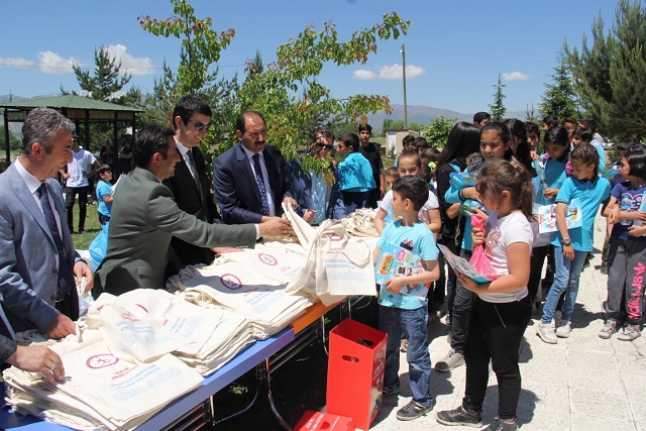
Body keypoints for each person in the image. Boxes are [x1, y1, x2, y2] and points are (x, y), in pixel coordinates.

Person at [94, 126, 292, 296]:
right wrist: (261, 230)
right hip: (133, 290)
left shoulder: (131, 180)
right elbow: (202, 232)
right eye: (173, 152)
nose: (178, 159)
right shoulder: (152, 194)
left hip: (120, 279)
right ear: (157, 158)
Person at [436, 159, 534, 431]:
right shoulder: (497, 217)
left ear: (503, 195)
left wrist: (480, 288)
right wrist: (480, 238)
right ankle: (471, 408)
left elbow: (519, 278)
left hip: (507, 309)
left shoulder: (517, 226)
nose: (480, 199)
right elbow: (492, 255)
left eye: (483, 194)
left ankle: (507, 420)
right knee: (475, 355)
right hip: (485, 302)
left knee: (504, 366)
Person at [0, 108, 92, 337]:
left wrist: (77, 261)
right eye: (66, 149)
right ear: (38, 150)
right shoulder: (3, 195)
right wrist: (47, 317)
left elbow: (61, 246)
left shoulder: (51, 186)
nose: (71, 158)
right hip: (29, 327)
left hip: (67, 312)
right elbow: (3, 276)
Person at [436, 122, 512, 372]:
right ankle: (458, 347)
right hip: (470, 247)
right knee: (462, 301)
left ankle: (494, 346)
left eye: (494, 144)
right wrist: (465, 194)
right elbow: (449, 197)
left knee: (493, 300)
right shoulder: (471, 171)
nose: (488, 149)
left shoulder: (512, 174)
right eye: (483, 144)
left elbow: (523, 209)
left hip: (500, 249)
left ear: (507, 145)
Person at [375, 176, 440, 421]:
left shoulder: (423, 234)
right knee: (389, 347)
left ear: (408, 203)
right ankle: (389, 384)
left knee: (416, 352)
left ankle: (422, 398)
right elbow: (379, 253)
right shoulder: (392, 226)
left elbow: (434, 272)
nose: (390, 201)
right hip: (388, 301)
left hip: (412, 305)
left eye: (394, 198)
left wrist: (403, 281)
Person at [536, 143, 611, 343]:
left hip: (584, 242)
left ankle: (567, 318)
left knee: (574, 280)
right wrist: (566, 241)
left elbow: (610, 202)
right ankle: (546, 320)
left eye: (578, 168)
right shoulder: (569, 183)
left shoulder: (603, 186)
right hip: (563, 241)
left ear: (592, 165)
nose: (574, 171)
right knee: (561, 279)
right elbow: (560, 211)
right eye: (573, 167)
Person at [163, 96, 222, 273]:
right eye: (199, 126)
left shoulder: (196, 154)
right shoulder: (163, 157)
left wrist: (219, 230)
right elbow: (171, 214)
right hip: (177, 255)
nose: (204, 132)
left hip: (206, 250)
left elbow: (205, 200)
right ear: (179, 122)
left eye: (207, 127)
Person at [213, 111, 296, 224]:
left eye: (263, 132)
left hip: (279, 231)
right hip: (248, 236)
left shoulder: (274, 154)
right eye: (254, 134)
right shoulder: (225, 164)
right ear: (239, 135)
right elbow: (229, 209)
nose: (261, 138)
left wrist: (288, 197)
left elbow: (286, 186)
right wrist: (265, 221)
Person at [435, 122, 481, 324]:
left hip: (470, 233)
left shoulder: (473, 167)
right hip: (453, 233)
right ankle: (454, 320)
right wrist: (466, 196)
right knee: (456, 279)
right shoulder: (447, 170)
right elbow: (448, 211)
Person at [599, 143, 646, 341]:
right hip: (619, 241)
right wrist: (629, 214)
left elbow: (615, 213)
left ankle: (634, 320)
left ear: (637, 165)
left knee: (636, 283)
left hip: (641, 245)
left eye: (623, 163)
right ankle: (612, 317)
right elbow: (608, 211)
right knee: (615, 280)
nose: (619, 167)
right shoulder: (619, 186)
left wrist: (643, 228)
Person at [527, 127, 569, 305]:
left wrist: (559, 192)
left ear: (566, 145)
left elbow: (579, 191)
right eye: (549, 148)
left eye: (556, 149)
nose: (552, 152)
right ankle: (530, 302)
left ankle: (556, 305)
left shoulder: (571, 166)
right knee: (535, 262)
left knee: (558, 267)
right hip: (542, 217)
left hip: (562, 221)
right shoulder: (546, 161)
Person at [375, 150, 441, 235]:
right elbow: (378, 218)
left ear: (420, 168)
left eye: (412, 170)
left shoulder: (428, 195)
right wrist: (384, 237)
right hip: (399, 245)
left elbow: (436, 224)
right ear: (398, 170)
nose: (407, 174)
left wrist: (413, 232)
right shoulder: (392, 194)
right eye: (403, 171)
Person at [60, 140, 97, 233]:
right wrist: (64, 174)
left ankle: (81, 228)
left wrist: (90, 174)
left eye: (71, 142)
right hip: (70, 184)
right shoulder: (67, 153)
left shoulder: (86, 153)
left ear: (75, 142)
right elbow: (58, 164)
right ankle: (70, 228)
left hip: (83, 183)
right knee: (68, 206)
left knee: (82, 206)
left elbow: (97, 164)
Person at [335, 132, 376, 217]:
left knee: (349, 218)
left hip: (349, 196)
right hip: (365, 194)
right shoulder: (364, 160)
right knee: (361, 217)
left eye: (340, 146)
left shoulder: (345, 163)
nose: (337, 149)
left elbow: (339, 177)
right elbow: (369, 178)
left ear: (350, 148)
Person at [358, 123, 384, 208]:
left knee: (374, 211)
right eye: (363, 133)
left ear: (370, 135)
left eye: (367, 133)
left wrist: (382, 186)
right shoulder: (356, 150)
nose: (365, 135)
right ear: (359, 134)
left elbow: (380, 168)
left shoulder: (375, 149)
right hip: (361, 187)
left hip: (375, 187)